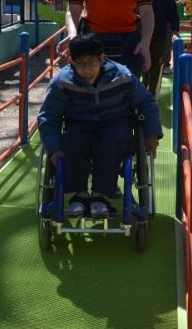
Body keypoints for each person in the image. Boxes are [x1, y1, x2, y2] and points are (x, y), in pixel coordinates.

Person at [38, 34, 163, 219]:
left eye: (91, 63)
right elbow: (49, 115)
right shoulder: (62, 82)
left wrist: (152, 134)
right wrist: (54, 149)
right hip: (80, 124)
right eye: (80, 63)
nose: (86, 70)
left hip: (115, 123)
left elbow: (147, 102)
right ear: (72, 62)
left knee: (112, 140)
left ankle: (101, 195)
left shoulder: (123, 76)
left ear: (102, 58)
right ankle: (79, 195)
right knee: (71, 140)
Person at [141, 0, 179, 95]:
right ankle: (142, 92)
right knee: (144, 67)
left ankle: (152, 94)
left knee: (156, 67)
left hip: (160, 37)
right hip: (143, 38)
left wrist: (174, 31)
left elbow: (173, 16)